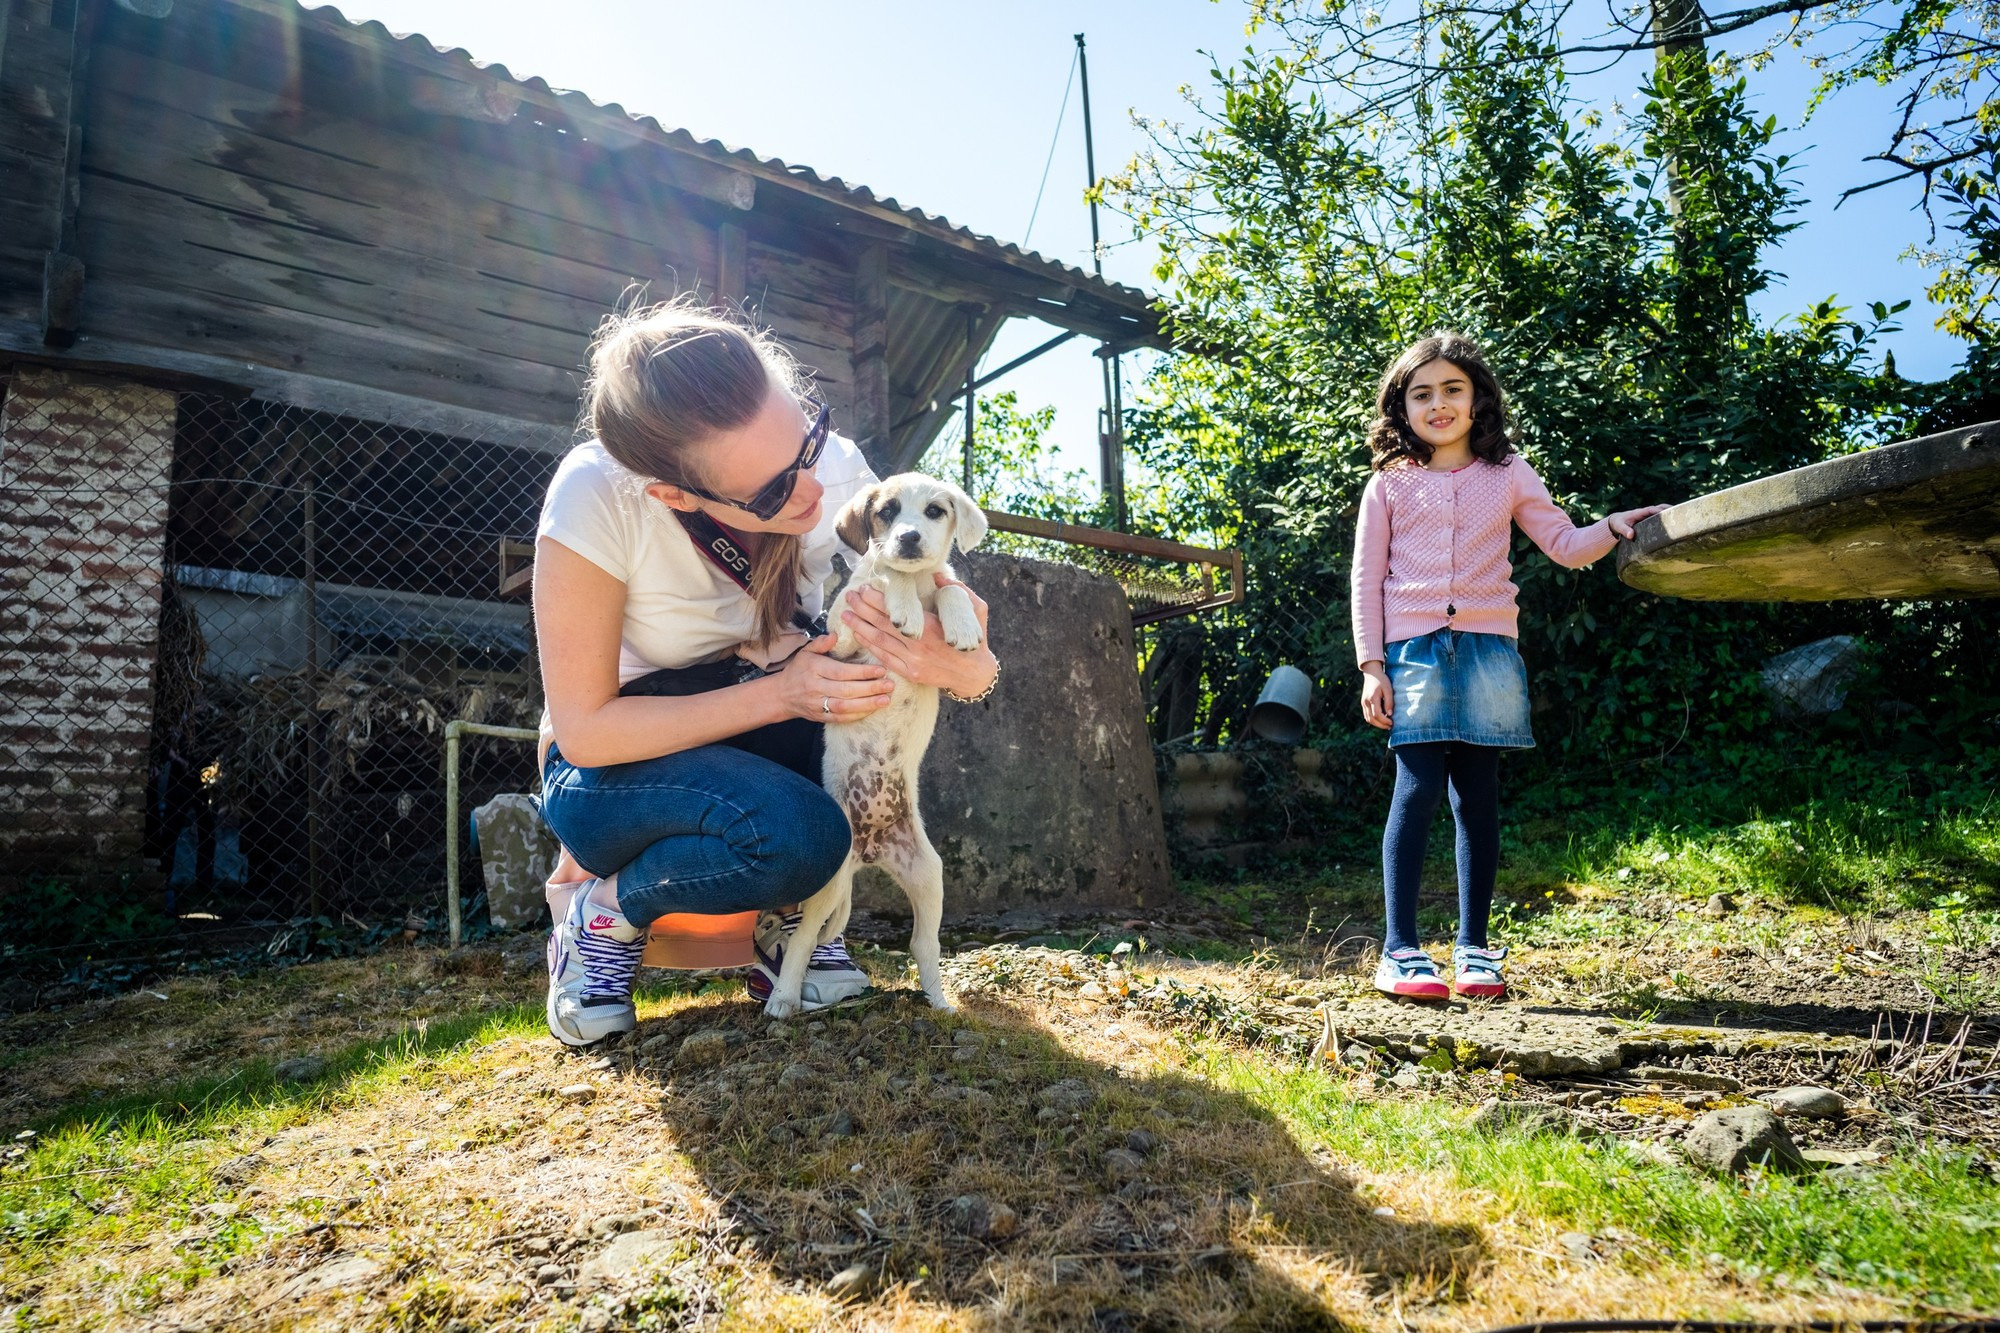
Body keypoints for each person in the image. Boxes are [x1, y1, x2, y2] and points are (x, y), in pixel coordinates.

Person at [533, 298, 1000, 1045]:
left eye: (808, 442)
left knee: (827, 830)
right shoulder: (597, 496)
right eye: (777, 491)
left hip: (755, 742)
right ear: (676, 495)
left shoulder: (838, 475)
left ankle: (787, 925)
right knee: (801, 834)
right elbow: (587, 730)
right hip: (616, 770)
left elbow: (932, 585)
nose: (815, 493)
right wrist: (780, 689)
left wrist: (964, 656)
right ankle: (605, 911)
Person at [1349, 332, 1667, 1001]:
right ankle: (1400, 949)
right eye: (1422, 393)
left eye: (1452, 390)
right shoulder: (1390, 484)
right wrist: (1371, 664)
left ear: (1478, 398)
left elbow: (1563, 541)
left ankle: (1474, 948)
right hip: (1414, 651)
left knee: (1479, 799)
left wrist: (1612, 526)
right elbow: (1366, 578)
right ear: (1401, 406)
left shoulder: (1509, 473)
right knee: (1416, 788)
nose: (1438, 404)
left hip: (1491, 652)